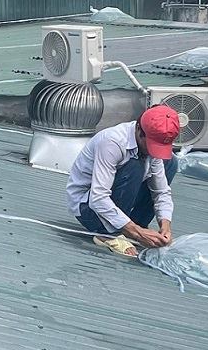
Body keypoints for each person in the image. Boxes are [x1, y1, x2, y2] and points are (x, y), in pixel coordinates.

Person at [66, 105, 180, 257]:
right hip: (89, 207)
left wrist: (165, 226)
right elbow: (98, 198)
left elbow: (160, 191)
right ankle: (109, 233)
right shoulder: (112, 142)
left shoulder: (149, 148)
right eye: (151, 144)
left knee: (170, 162)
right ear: (139, 130)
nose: (153, 152)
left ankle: (134, 226)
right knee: (135, 164)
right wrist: (138, 234)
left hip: (118, 202)